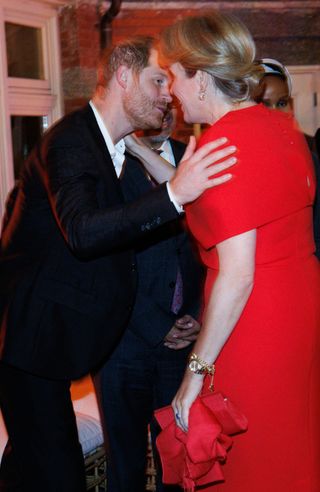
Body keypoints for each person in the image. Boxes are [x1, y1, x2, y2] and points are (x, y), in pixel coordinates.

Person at [0, 35, 238, 492]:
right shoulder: (70, 139)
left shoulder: (110, 145)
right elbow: (84, 232)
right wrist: (173, 194)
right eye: (156, 81)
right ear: (123, 77)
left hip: (56, 345)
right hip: (30, 343)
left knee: (32, 469)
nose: (166, 94)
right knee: (58, 477)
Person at [131, 11, 320, 491]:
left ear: (199, 77)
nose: (170, 90)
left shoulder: (225, 144)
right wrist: (139, 152)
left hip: (254, 316)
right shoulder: (279, 129)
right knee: (290, 437)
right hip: (296, 303)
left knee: (251, 452)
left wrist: (195, 374)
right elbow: (198, 188)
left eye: (173, 76)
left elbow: (238, 275)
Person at [94, 106, 204, 492]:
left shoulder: (196, 159)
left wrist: (198, 315)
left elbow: (214, 247)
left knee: (176, 467)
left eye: (171, 104)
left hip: (183, 349)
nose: (164, 113)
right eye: (157, 100)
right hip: (122, 344)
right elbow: (104, 262)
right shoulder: (107, 171)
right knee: (124, 471)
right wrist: (159, 326)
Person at [255, 58, 320, 259]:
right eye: (265, 104)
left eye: (281, 103)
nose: (275, 112)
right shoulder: (236, 160)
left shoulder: (310, 159)